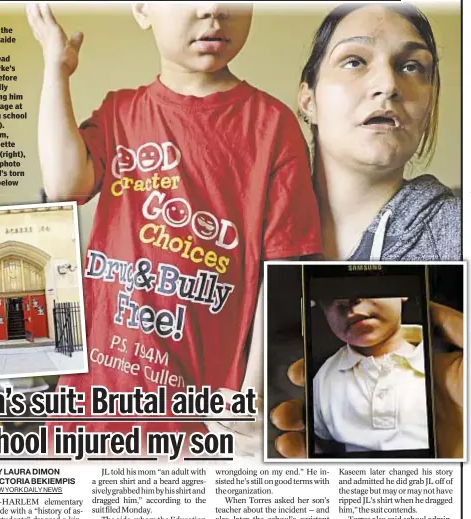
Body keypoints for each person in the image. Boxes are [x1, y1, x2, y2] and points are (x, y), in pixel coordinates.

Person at [26, 3, 322, 449]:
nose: (214, 11)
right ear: (143, 9)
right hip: (88, 407)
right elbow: (65, 183)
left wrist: (252, 393)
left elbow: (282, 276)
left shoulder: (272, 127)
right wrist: (56, 68)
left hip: (196, 426)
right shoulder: (120, 111)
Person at [296, 3, 460, 260]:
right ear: (308, 101)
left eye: (411, 66)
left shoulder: (458, 234)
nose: (388, 85)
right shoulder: (239, 229)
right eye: (354, 62)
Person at [313, 297, 429, 453]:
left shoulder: (448, 363)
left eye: (368, 280)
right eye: (329, 293)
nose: (347, 300)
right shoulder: (323, 379)